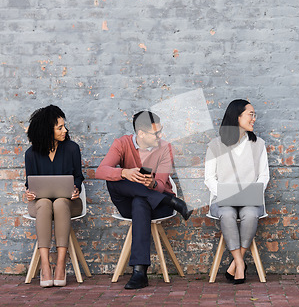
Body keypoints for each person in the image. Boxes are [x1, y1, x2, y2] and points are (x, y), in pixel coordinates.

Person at [95, 111, 192, 289]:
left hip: (157, 207)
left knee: (140, 202)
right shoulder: (122, 144)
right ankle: (173, 202)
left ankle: (139, 272)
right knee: (113, 180)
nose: (160, 136)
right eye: (156, 133)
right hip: (148, 202)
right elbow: (100, 171)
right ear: (140, 133)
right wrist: (124, 172)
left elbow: (162, 184)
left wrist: (153, 184)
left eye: (161, 131)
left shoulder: (165, 147)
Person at [204, 99, 269, 284]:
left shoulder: (259, 144)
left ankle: (235, 264)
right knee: (227, 214)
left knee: (250, 214)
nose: (254, 119)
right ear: (237, 116)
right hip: (222, 200)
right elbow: (209, 178)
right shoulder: (215, 145)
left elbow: (264, 176)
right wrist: (228, 194)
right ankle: (240, 264)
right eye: (251, 114)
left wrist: (253, 192)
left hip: (251, 199)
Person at [24, 105, 84, 287]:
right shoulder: (31, 154)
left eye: (64, 126)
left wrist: (76, 189)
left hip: (69, 204)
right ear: (46, 130)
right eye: (59, 127)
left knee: (59, 203)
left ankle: (60, 265)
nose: (64, 130)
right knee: (43, 203)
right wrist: (29, 193)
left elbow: (79, 177)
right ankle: (45, 265)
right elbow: (30, 182)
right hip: (40, 206)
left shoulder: (72, 149)